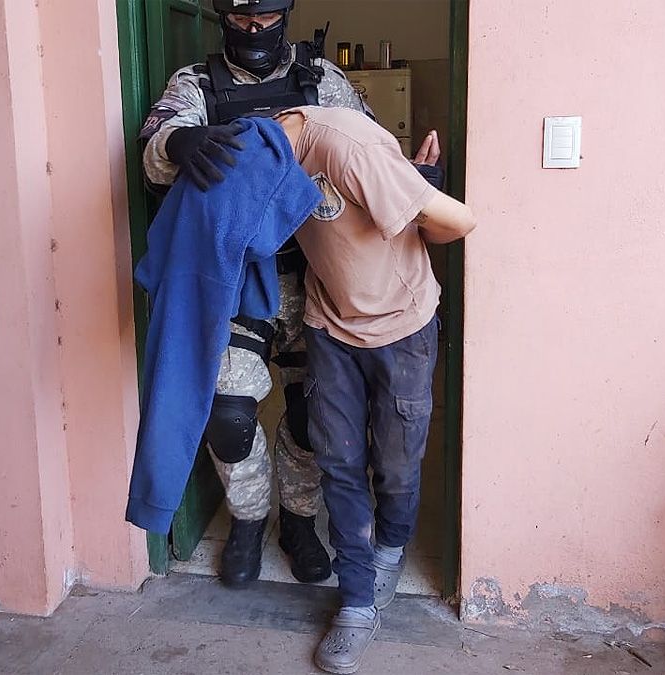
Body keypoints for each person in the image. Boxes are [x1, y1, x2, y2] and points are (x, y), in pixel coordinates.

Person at [138, 0, 441, 589]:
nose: (254, 30)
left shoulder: (322, 80)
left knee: (310, 418)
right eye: (241, 19)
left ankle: (299, 522)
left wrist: (418, 183)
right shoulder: (196, 83)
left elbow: (370, 152)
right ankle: (249, 519)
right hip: (235, 277)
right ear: (224, 18)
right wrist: (178, 146)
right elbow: (155, 148)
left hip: (317, 276)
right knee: (229, 416)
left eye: (266, 19)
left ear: (285, 16)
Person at [273, 105, 476, 674]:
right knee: (338, 462)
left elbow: (461, 221)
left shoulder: (348, 147)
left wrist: (412, 197)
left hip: (402, 327)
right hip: (329, 323)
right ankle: (357, 600)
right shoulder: (265, 150)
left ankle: (390, 544)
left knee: (396, 464)